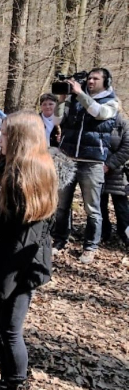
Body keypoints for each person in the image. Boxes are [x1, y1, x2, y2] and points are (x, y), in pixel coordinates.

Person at [0, 112, 58, 390]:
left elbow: (26, 239)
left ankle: (15, 385)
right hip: (6, 259)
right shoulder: (9, 168)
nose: (0, 137)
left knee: (9, 328)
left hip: (20, 264)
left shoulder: (30, 178)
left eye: (6, 133)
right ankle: (9, 378)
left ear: (21, 139)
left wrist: (5, 280)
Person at [52, 68, 119, 263]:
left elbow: (98, 113)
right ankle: (59, 239)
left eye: (95, 79)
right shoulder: (75, 99)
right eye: (89, 78)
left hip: (92, 162)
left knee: (92, 208)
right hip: (68, 158)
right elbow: (56, 119)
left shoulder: (111, 101)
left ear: (106, 81)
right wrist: (62, 99)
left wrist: (79, 93)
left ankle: (90, 247)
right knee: (62, 205)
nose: (90, 81)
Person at [100, 112, 129, 250]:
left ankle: (125, 235)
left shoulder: (124, 125)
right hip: (98, 171)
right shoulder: (97, 121)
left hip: (118, 173)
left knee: (121, 207)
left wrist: (109, 165)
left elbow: (126, 148)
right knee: (100, 205)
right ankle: (103, 233)